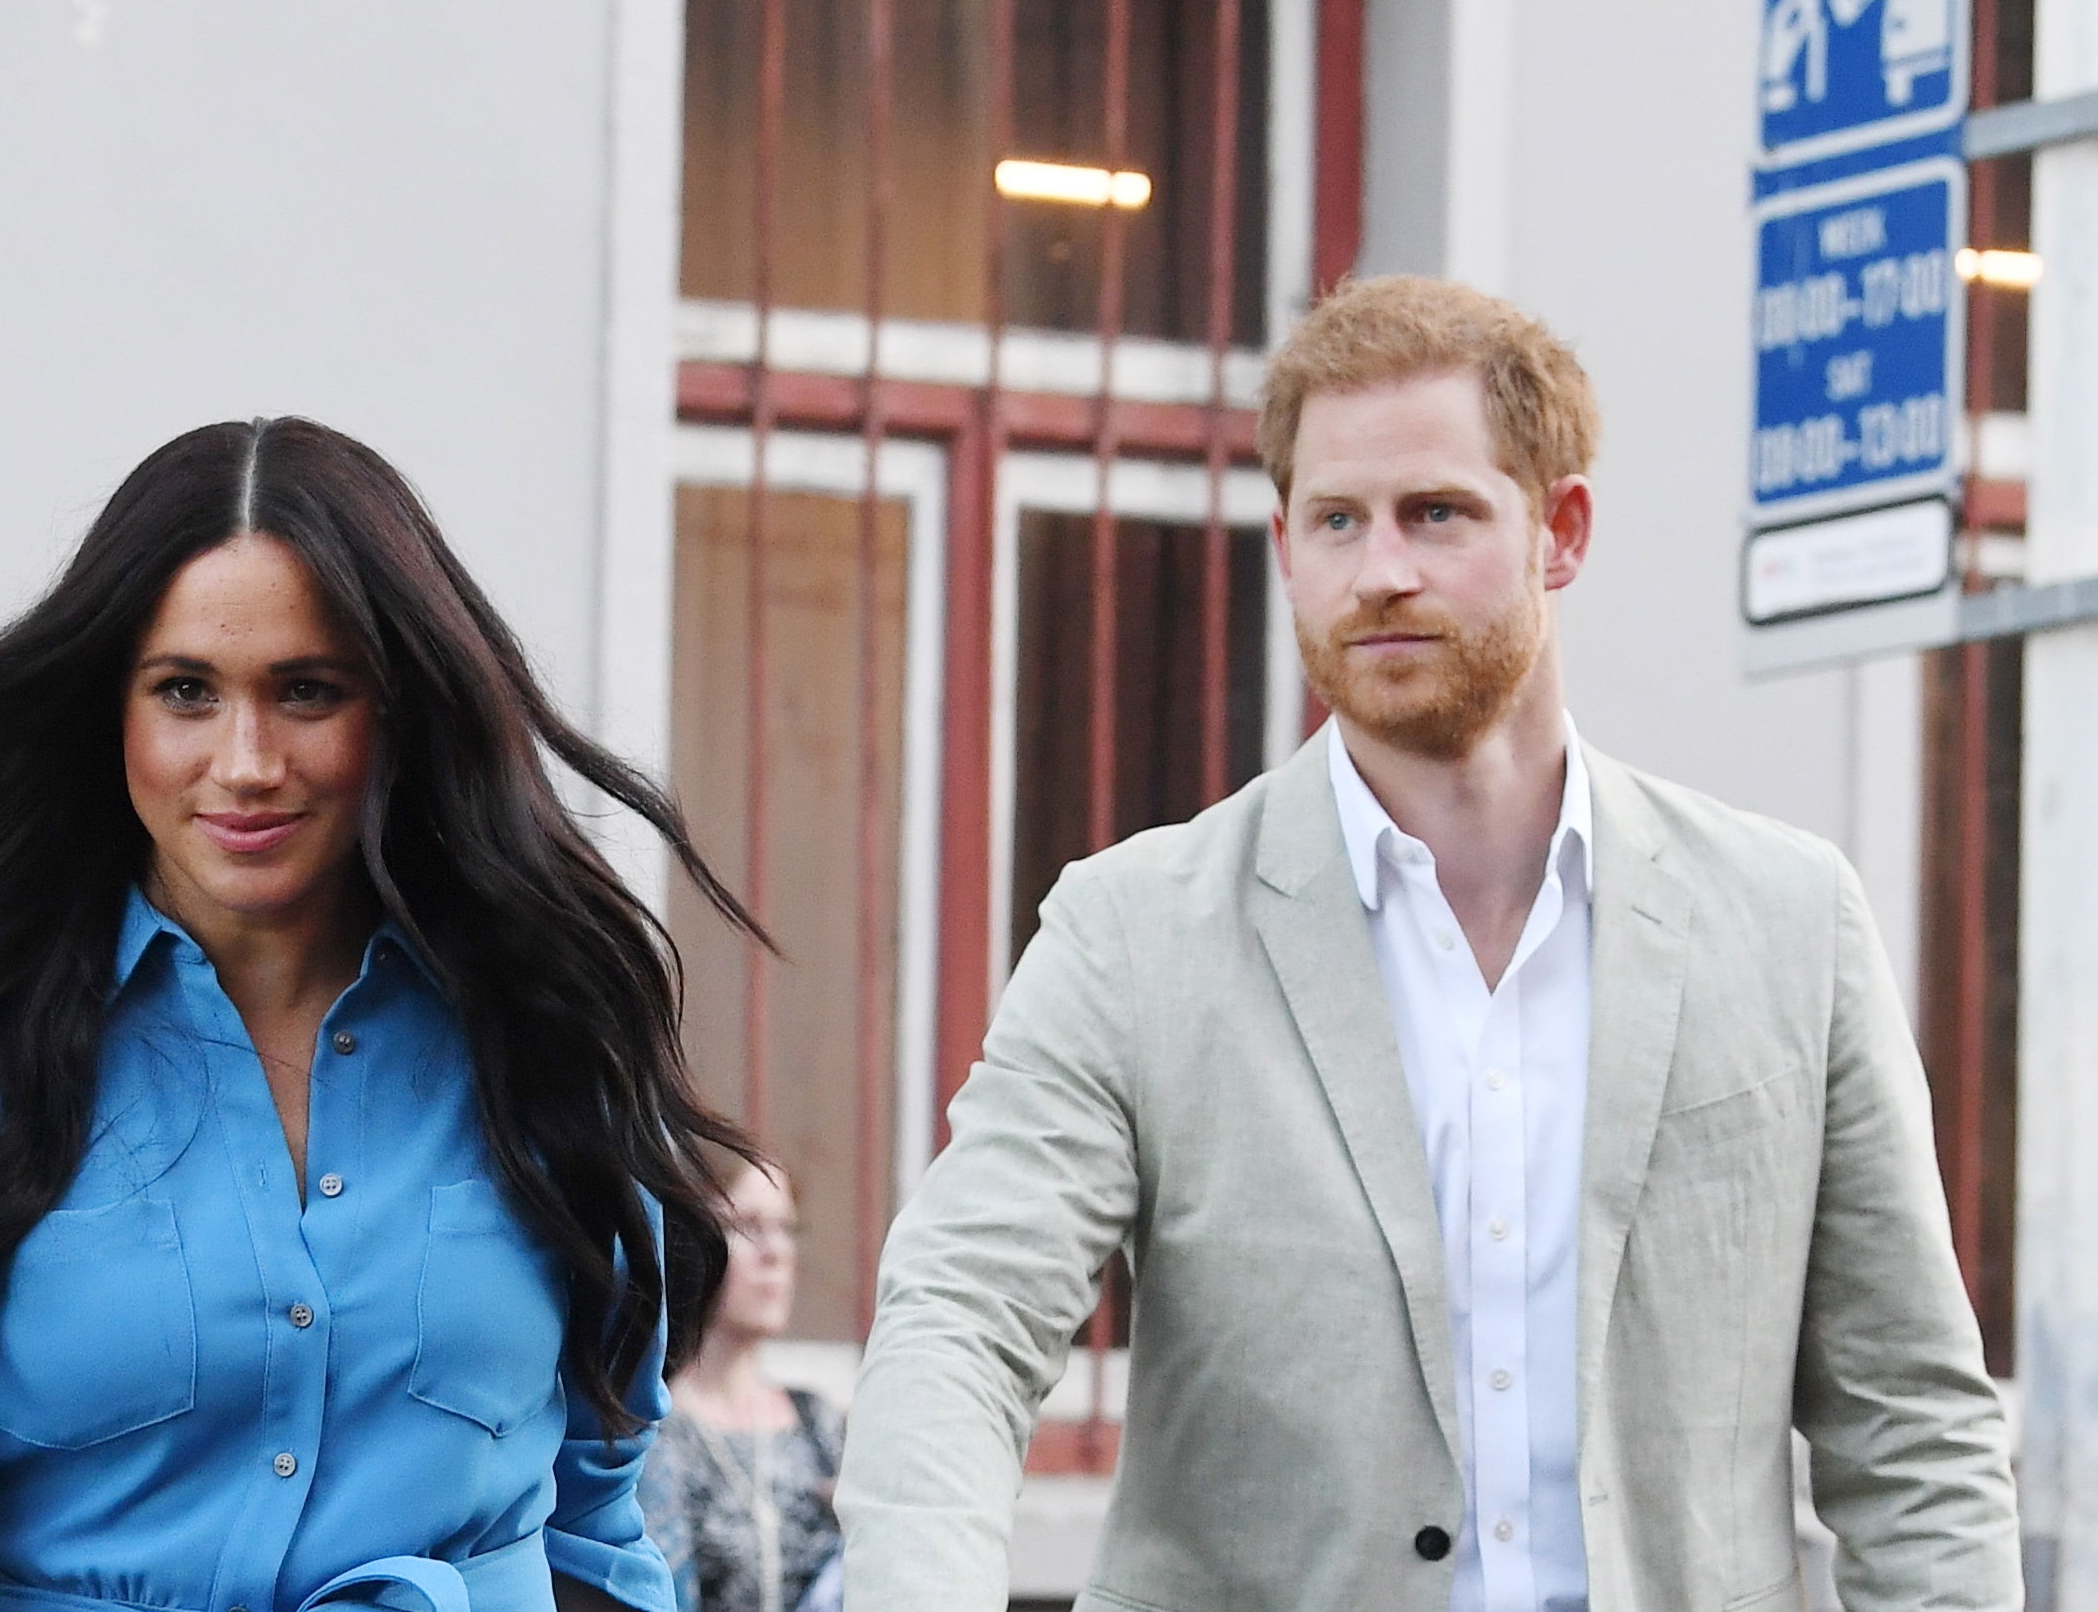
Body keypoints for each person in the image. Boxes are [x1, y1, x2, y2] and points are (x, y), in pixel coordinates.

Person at [837, 276, 2022, 1612]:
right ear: (1285, 543)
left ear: (1559, 530)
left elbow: (1912, 1426)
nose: (1380, 570)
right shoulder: (1135, 930)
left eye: (1436, 513)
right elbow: (960, 1322)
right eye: (1335, 520)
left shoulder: (1788, 921)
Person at [0, 417, 755, 1612]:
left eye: (307, 692)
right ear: (112, 712)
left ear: (400, 710)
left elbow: (591, 1525)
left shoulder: (547, 1041)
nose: (246, 762)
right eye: (186, 691)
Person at [639, 1159, 843, 1612]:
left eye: (786, 1228)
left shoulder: (821, 1426)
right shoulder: (655, 1433)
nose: (775, 1253)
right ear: (693, 1242)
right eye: (748, 1226)